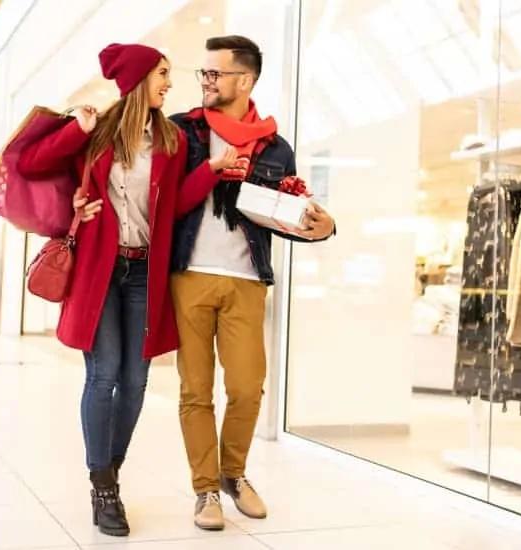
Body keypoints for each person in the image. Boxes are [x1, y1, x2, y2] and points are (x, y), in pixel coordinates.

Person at [15, 43, 235, 537]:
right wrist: (77, 128)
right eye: (162, 73)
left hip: (142, 273)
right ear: (137, 78)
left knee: (136, 381)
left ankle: (108, 469)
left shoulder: (172, 139)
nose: (169, 83)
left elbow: (174, 204)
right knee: (104, 375)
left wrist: (211, 173)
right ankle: (104, 489)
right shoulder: (98, 134)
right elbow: (31, 164)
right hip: (99, 270)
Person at [168, 35, 337, 530]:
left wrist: (321, 230)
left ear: (245, 80)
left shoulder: (275, 148)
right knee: (195, 390)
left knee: (247, 388)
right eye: (203, 73)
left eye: (214, 73)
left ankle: (233, 474)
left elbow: (285, 212)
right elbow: (164, 199)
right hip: (190, 276)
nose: (205, 81)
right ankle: (205, 490)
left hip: (247, 279)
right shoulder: (183, 132)